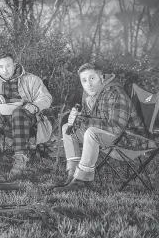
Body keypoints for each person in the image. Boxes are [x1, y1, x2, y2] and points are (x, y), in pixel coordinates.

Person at [54, 63, 147, 192]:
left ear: (101, 77)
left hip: (129, 140)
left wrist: (83, 121)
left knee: (91, 132)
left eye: (92, 78)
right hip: (106, 138)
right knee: (67, 129)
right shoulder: (88, 95)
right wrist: (75, 119)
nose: (88, 84)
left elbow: (117, 128)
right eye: (84, 80)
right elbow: (88, 119)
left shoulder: (115, 93)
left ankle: (82, 181)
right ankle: (73, 175)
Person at [0, 52, 52, 173]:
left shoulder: (31, 79)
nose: (4, 70)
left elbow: (46, 98)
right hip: (3, 123)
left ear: (14, 65)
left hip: (26, 121)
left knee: (18, 112)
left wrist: (35, 106)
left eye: (8, 66)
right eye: (0, 67)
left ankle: (20, 159)